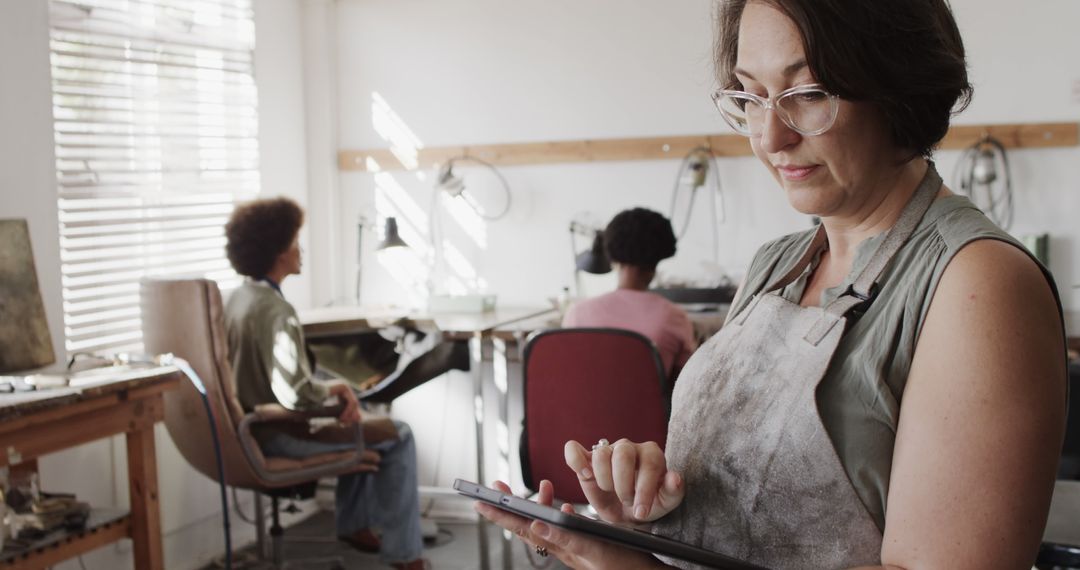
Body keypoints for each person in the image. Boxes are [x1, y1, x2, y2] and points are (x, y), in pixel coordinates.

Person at [478, 1, 1068, 569]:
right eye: (751, 97)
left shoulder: (978, 284)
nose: (769, 136)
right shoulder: (774, 267)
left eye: (807, 95)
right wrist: (641, 514)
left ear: (900, 86)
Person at [223, 197, 427, 570]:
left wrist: (336, 395)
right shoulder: (276, 311)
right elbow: (296, 395)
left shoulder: (238, 298)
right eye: (296, 240)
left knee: (359, 419)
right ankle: (405, 555)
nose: (300, 249)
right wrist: (335, 391)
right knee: (397, 434)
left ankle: (353, 524)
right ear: (280, 250)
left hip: (249, 429)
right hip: (280, 432)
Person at [563, 207, 697, 379]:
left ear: (612, 258)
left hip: (580, 406)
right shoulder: (673, 317)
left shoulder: (577, 313)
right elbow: (685, 384)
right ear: (656, 263)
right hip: (648, 406)